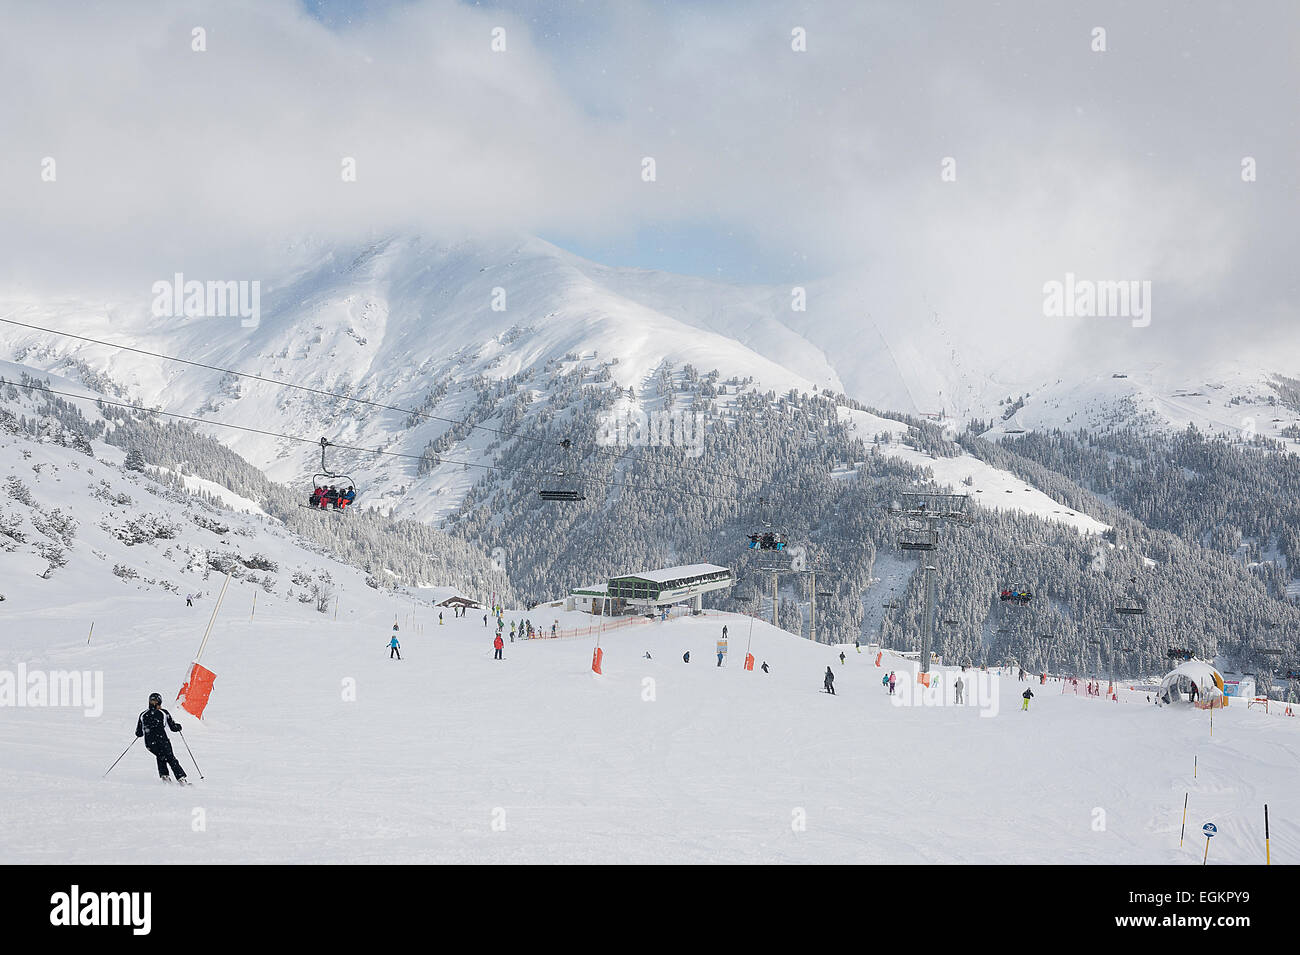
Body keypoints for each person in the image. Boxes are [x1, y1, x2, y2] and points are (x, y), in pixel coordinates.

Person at [135, 692, 189, 784]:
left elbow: (138, 733)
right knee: (170, 758)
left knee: (160, 756)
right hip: (162, 740)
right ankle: (181, 778)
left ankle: (165, 776)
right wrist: (178, 727)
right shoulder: (164, 713)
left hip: (149, 743)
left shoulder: (143, 714)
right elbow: (173, 727)